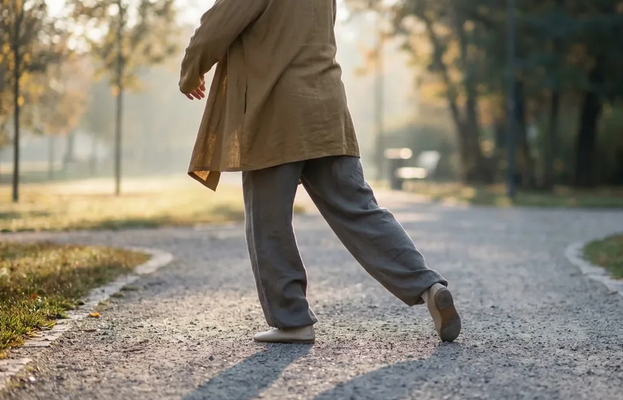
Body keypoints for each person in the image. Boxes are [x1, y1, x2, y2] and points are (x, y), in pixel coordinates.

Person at [178, 0, 460, 343]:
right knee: (359, 210)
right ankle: (427, 286)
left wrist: (191, 69)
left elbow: (217, 25)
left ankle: (292, 319)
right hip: (326, 108)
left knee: (269, 221)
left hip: (274, 111)